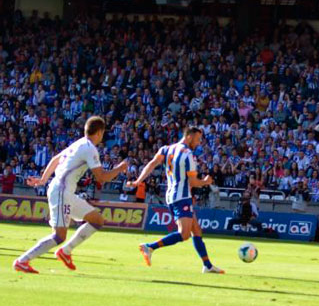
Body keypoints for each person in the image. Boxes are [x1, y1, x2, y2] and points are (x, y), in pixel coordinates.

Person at [14, 116, 128, 273]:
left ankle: (65, 251)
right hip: (61, 191)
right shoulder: (89, 148)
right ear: (100, 132)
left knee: (97, 220)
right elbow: (101, 177)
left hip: (66, 191)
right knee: (59, 235)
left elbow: (55, 159)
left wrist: (43, 179)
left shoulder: (79, 143)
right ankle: (22, 261)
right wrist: (120, 168)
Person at [129, 126, 224, 274]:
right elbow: (193, 182)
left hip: (172, 195)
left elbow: (152, 164)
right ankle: (150, 247)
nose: (199, 143)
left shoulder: (166, 149)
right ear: (189, 137)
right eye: (198, 139)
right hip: (182, 197)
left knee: (196, 229)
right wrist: (205, 181)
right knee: (184, 234)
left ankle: (207, 265)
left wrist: (138, 181)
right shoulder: (188, 155)